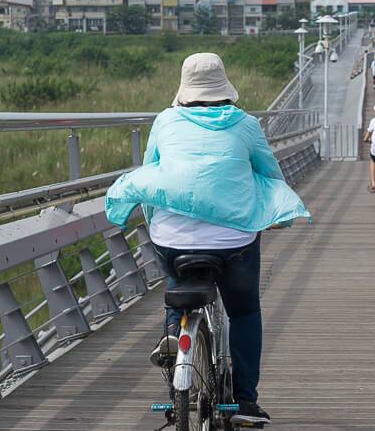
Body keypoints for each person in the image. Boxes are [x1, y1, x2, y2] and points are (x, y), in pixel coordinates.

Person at [105, 52, 310, 426]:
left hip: (172, 239)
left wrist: (157, 222)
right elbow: (271, 174)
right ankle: (245, 401)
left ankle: (174, 338)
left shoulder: (165, 120)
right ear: (224, 86)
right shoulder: (245, 124)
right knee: (243, 311)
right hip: (233, 243)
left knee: (177, 285)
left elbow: (153, 173)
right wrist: (273, 210)